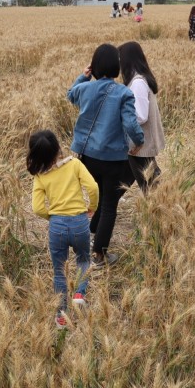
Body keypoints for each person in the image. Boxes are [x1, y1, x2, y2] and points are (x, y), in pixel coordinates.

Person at [67, 44, 144, 267]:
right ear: (117, 67)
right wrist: (139, 142)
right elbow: (130, 123)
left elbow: (70, 94)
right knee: (109, 205)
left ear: (95, 66)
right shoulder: (124, 92)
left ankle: (92, 231)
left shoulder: (85, 89)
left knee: (96, 196)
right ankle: (99, 255)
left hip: (87, 157)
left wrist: (83, 77)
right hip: (113, 159)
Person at [28, 129, 99, 329]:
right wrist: (92, 206)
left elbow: (37, 207)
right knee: (84, 259)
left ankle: (61, 318)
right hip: (79, 222)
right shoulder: (74, 165)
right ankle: (79, 293)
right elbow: (92, 187)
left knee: (60, 271)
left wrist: (52, 217)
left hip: (57, 226)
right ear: (58, 148)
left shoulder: (40, 177)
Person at [118, 41, 166, 193]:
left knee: (149, 184)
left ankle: (162, 208)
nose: (118, 64)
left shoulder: (137, 83)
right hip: (139, 142)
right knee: (149, 179)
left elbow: (140, 116)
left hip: (140, 143)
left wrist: (119, 116)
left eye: (120, 59)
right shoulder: (138, 80)